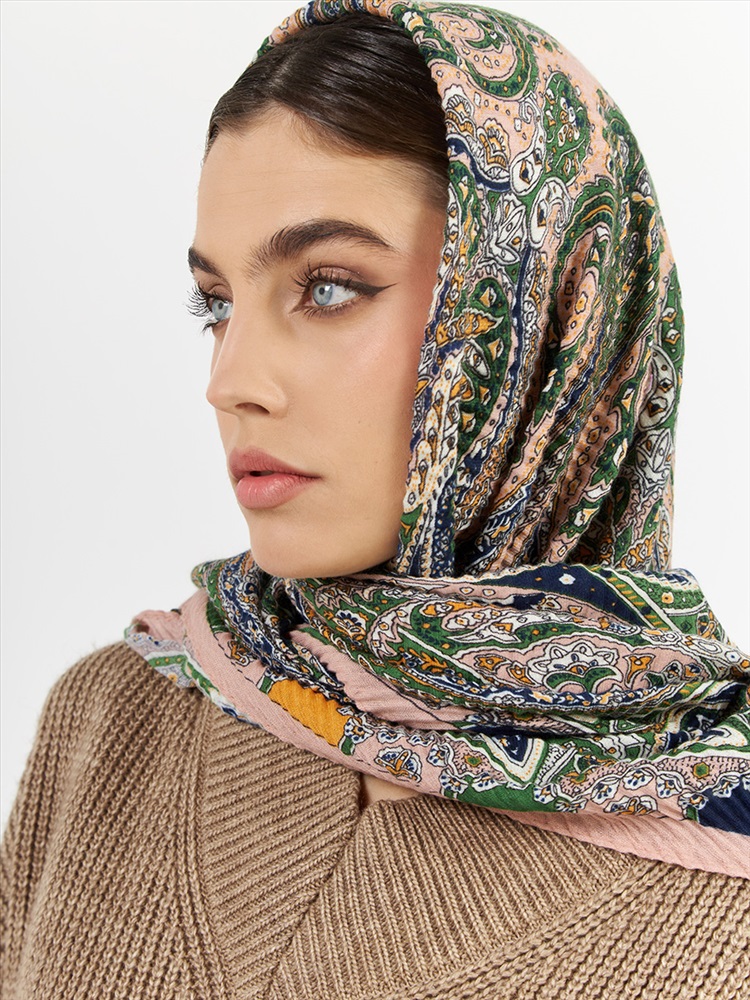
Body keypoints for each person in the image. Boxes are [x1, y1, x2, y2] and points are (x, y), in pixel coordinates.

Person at [2, 2, 748, 998]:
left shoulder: (725, 863)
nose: (231, 381)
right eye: (216, 303)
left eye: (329, 287)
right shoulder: (112, 725)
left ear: (546, 317)